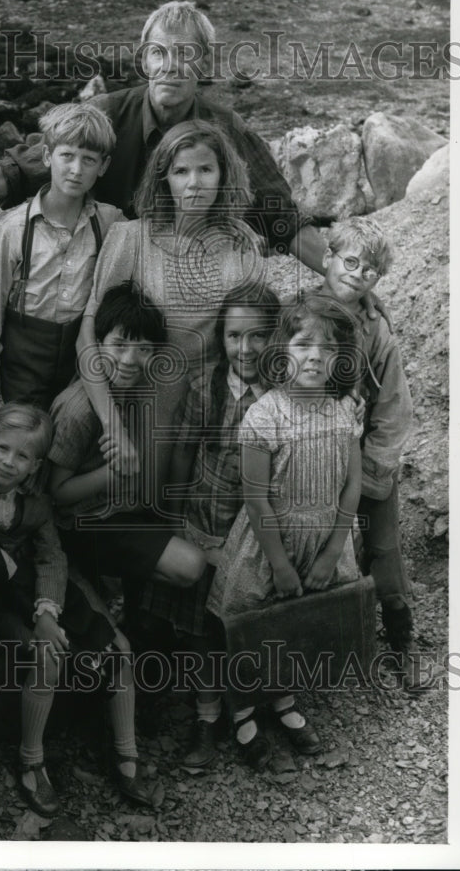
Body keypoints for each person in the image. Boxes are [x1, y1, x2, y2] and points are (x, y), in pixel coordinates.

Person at [0, 1, 356, 295]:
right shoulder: (106, 112)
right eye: (160, 53)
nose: (172, 65)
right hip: (100, 274)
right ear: (144, 58)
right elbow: (21, 167)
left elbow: (279, 215)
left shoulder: (225, 128)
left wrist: (336, 273)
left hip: (191, 277)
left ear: (203, 63)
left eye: (186, 54)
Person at [0, 403, 158, 816]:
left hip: (44, 587)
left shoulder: (33, 499)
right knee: (46, 658)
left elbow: (51, 555)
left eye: (23, 457)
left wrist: (47, 611)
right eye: (3, 449)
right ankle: (31, 759)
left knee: (119, 648)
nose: (9, 463)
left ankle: (126, 754)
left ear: (35, 466)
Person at [205, 293, 364, 769]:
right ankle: (244, 707)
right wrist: (277, 562)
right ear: (282, 351)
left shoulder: (343, 411)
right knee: (255, 624)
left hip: (322, 542)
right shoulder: (264, 416)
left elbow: (352, 485)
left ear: (340, 357)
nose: (315, 355)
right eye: (302, 344)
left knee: (292, 626)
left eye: (328, 347)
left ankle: (284, 699)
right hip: (269, 546)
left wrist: (333, 550)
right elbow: (255, 497)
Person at [76, 118, 267, 493]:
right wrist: (112, 425)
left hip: (207, 401)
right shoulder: (132, 238)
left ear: (223, 175)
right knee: (127, 498)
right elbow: (89, 336)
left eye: (205, 169)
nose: (194, 182)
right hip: (132, 394)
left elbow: (259, 332)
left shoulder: (242, 243)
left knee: (191, 506)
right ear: (164, 179)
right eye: (181, 171)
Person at [139, 283, 281, 768]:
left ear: (276, 337)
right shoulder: (206, 387)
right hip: (206, 520)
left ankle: (250, 711)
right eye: (234, 335)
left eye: (259, 336)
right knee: (201, 630)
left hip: (256, 532)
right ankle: (205, 718)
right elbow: (182, 452)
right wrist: (176, 521)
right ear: (220, 336)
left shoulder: (286, 397)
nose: (245, 349)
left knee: (242, 625)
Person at [319, 216, 432, 693]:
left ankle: (401, 639)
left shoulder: (377, 333)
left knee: (382, 546)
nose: (358, 274)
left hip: (362, 456)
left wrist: (371, 471)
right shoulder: (295, 314)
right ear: (327, 258)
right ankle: (321, 645)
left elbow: (392, 407)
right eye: (350, 262)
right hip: (307, 457)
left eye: (370, 271)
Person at [48, 281, 206, 608]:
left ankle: (120, 591)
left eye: (144, 349)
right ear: (97, 344)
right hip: (82, 523)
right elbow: (56, 493)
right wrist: (112, 475)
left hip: (118, 509)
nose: (130, 359)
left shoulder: (130, 391)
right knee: (191, 565)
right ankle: (86, 575)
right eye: (119, 345)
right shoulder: (78, 410)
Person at [0, 102, 123, 412]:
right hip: (22, 368)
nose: (77, 170)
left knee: (67, 436)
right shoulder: (13, 228)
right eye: (67, 156)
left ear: (103, 166)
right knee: (25, 439)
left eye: (89, 160)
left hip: (79, 367)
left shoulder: (111, 223)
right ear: (48, 156)